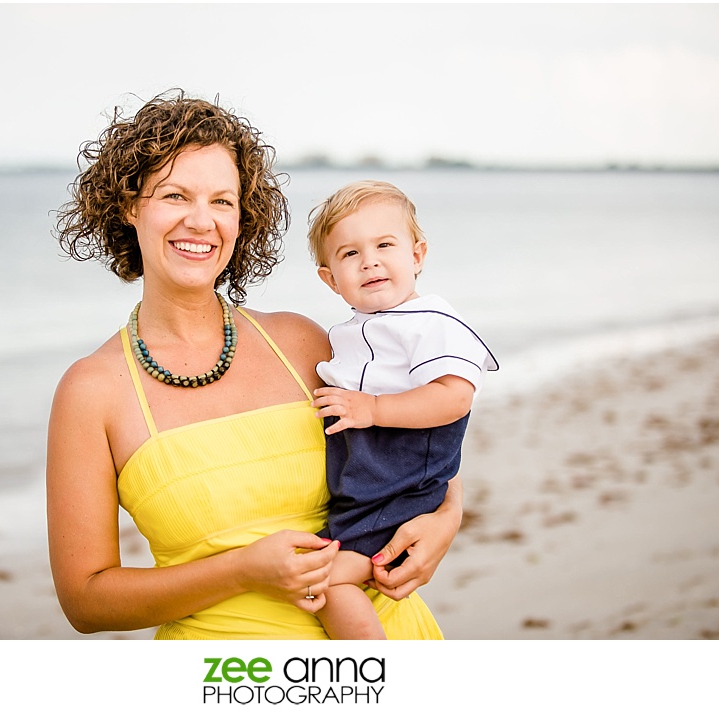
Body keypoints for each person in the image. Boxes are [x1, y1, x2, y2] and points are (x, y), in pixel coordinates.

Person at [48, 90, 463, 639]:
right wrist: (242, 571)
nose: (202, 221)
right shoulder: (91, 391)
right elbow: (87, 601)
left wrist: (447, 519)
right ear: (130, 206)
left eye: (223, 201)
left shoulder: (301, 344)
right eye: (175, 195)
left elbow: (415, 440)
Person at [306, 180, 498, 639]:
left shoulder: (434, 321)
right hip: (367, 484)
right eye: (349, 254)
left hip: (402, 486)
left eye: (384, 245)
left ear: (416, 256)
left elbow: (455, 397)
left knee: (327, 582)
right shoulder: (354, 330)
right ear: (330, 278)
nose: (369, 260)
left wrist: (371, 408)